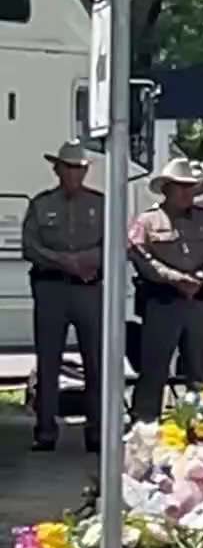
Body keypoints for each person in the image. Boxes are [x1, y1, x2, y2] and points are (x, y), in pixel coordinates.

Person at [128, 158, 203, 422]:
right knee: (154, 369)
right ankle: (145, 424)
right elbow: (141, 256)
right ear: (166, 189)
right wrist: (175, 279)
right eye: (180, 186)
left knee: (200, 372)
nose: (187, 192)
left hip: (199, 302)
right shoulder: (147, 221)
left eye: (190, 186)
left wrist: (200, 277)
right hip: (162, 303)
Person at [21, 141, 104, 452]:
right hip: (51, 288)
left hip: (88, 288)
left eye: (79, 169)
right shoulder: (41, 205)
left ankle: (96, 431)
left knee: (95, 360)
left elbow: (114, 243)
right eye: (68, 167)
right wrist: (61, 260)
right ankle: (45, 431)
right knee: (48, 360)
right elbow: (29, 245)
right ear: (57, 169)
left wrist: (86, 259)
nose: (74, 174)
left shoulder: (101, 203)